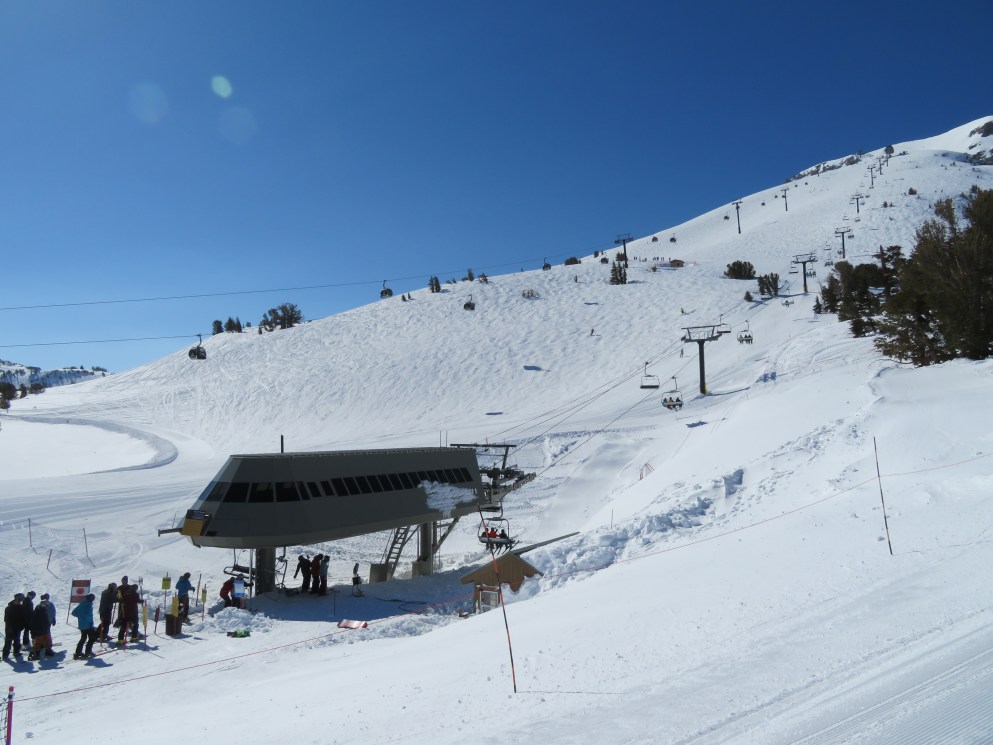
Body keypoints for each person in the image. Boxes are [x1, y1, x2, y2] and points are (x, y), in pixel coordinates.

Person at [71, 593, 98, 659]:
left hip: (81, 625)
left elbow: (73, 613)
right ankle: (88, 652)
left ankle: (78, 653)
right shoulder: (89, 606)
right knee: (92, 638)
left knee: (83, 639)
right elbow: (88, 616)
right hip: (88, 625)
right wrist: (90, 622)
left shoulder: (81, 604)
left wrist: (80, 617)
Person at [2, 594, 24, 659]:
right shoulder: (8, 608)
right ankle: (5, 655)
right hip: (10, 628)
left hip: (18, 628)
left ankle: (16, 652)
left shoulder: (21, 607)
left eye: (20, 601)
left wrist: (21, 626)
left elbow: (22, 618)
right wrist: (9, 628)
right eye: (18, 601)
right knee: (8, 642)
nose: (19, 602)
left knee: (17, 641)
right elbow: (6, 619)